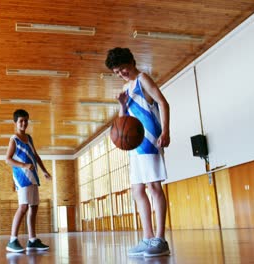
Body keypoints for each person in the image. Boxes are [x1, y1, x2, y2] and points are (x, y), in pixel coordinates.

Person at [105, 47, 171, 257]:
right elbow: (123, 119)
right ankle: (147, 237)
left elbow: (162, 102)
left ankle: (160, 239)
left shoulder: (143, 79)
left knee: (154, 186)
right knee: (137, 190)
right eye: (116, 72)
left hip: (150, 138)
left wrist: (166, 130)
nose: (121, 73)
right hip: (134, 145)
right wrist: (121, 104)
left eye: (122, 68)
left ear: (131, 62)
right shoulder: (126, 88)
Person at [5, 109, 52, 253]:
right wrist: (24, 165)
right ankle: (12, 240)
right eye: (21, 121)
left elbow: (36, 155)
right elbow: (7, 159)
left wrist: (44, 171)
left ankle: (32, 240)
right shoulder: (14, 139)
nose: (24, 123)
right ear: (15, 123)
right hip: (22, 177)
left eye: (26, 120)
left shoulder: (29, 138)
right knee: (23, 207)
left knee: (34, 206)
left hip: (33, 176)